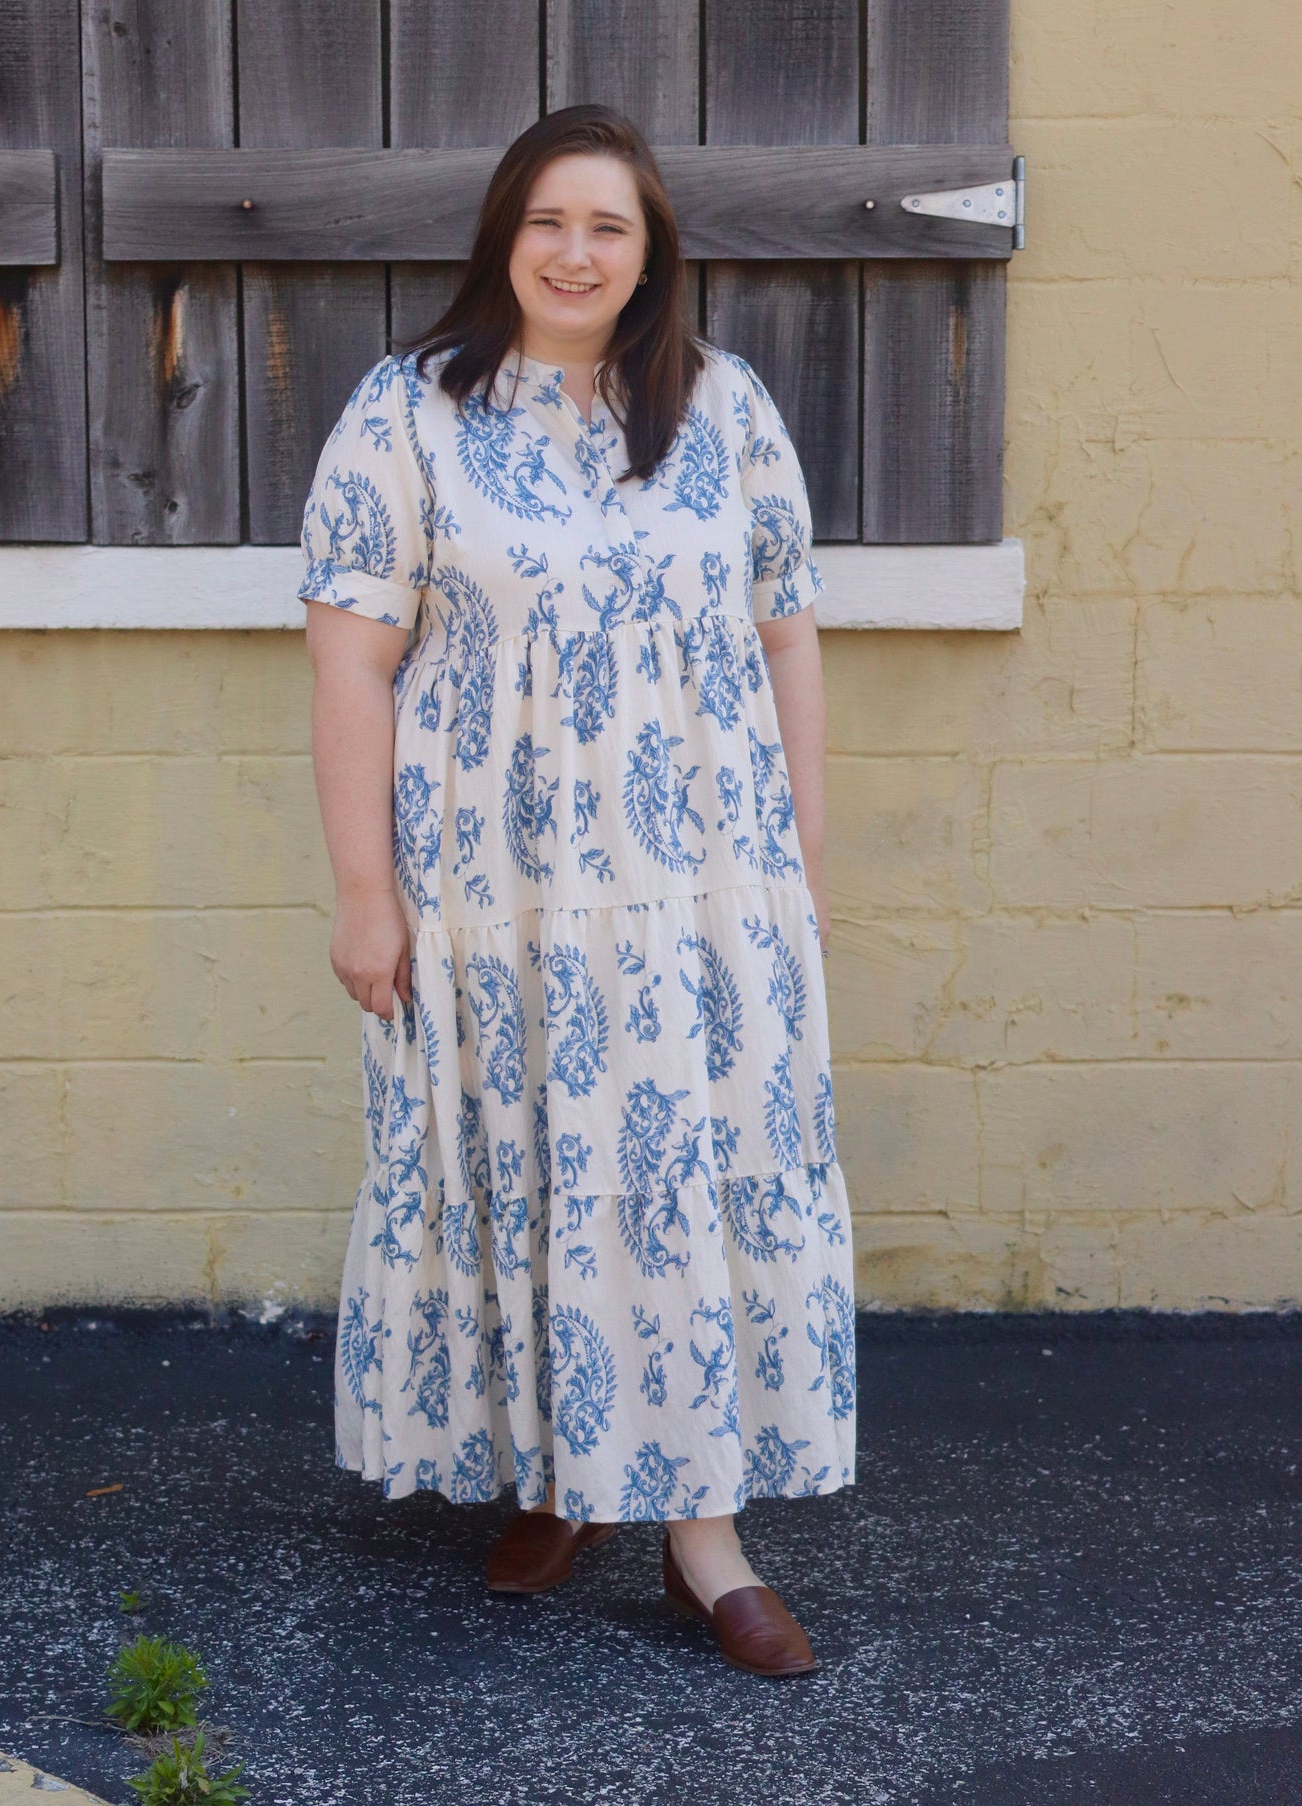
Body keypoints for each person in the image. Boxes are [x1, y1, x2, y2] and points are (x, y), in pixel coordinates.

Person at [300, 103, 856, 1679]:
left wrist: (796, 869)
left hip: (697, 887)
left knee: (678, 1178)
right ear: (503, 235)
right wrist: (364, 893)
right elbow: (352, 660)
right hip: (496, 883)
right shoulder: (406, 415)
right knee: (534, 1165)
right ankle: (563, 1471)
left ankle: (705, 1541)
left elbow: (785, 632)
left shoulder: (722, 410)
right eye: (549, 219)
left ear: (649, 251)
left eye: (608, 225)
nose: (575, 250)